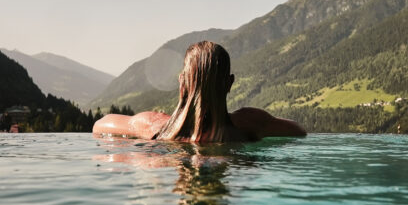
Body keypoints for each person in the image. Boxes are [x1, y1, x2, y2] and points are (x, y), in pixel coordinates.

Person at [92, 41, 306, 142]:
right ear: (229, 83)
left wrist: (160, 120)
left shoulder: (154, 126)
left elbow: (99, 125)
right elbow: (299, 130)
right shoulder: (249, 123)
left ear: (181, 82)